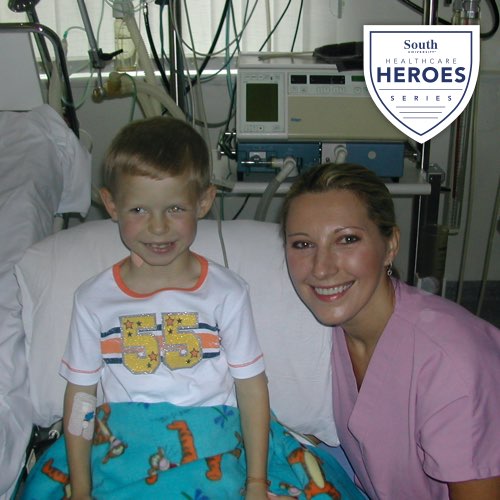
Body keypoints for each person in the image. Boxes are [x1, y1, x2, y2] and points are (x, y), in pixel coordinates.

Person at [60, 116, 270, 499]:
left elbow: (251, 389)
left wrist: (256, 482)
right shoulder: (93, 300)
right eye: (139, 211)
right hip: (124, 445)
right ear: (111, 205)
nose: (158, 228)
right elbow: (83, 397)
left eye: (175, 209)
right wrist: (80, 488)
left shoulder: (226, 293)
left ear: (203, 202)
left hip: (213, 444)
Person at [280, 162, 500, 500]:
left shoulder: (450, 364)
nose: (322, 269)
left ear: (391, 245)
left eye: (347, 239)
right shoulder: (335, 326)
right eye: (303, 245)